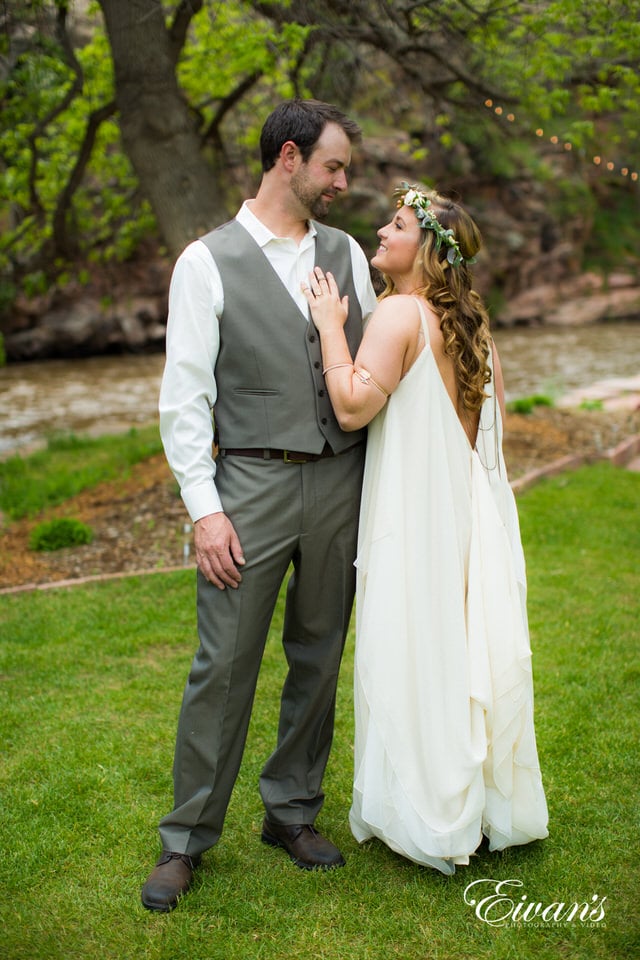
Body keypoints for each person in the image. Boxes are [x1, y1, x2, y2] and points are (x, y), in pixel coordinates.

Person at [141, 99, 378, 912]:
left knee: (319, 655)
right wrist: (206, 511)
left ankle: (292, 812)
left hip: (342, 483)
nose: (344, 181)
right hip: (249, 487)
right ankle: (185, 839)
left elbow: (371, 376)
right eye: (333, 166)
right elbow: (185, 401)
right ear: (288, 157)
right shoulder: (206, 262)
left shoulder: (348, 253)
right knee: (225, 664)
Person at [302, 183, 549, 873]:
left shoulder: (399, 314)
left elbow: (352, 407)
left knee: (416, 650)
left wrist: (328, 324)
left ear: (427, 253)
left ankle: (432, 814)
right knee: (463, 649)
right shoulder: (477, 328)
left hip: (414, 515)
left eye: (397, 223)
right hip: (470, 513)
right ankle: (480, 806)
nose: (381, 231)